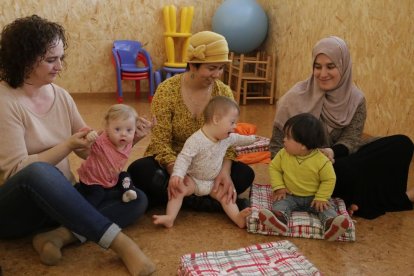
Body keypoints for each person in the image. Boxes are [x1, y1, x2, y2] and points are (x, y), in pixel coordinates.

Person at [0, 15, 155, 275]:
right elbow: (17, 173)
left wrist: (128, 138)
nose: (60, 66)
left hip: (59, 201)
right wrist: (67, 145)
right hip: (15, 211)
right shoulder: (5, 102)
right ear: (25, 59)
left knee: (137, 199)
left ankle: (57, 237)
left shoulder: (60, 95)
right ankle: (120, 244)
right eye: (51, 59)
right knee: (39, 171)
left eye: (61, 57)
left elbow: (91, 151)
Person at [269, 36, 414, 219]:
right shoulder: (293, 99)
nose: (323, 73)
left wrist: (331, 152)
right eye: (317, 66)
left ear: (343, 66)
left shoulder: (355, 99)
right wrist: (289, 177)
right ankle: (398, 199)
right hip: (306, 173)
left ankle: (354, 199)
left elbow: (351, 140)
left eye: (331, 66)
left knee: (402, 144)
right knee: (343, 172)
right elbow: (275, 147)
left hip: (338, 160)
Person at [127, 31, 255, 212]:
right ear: (192, 66)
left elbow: (229, 141)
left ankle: (181, 199)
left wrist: (225, 173)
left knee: (245, 174)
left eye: (220, 68)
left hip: (210, 166)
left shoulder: (223, 93)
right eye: (211, 68)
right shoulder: (166, 91)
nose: (217, 74)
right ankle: (211, 202)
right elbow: (160, 143)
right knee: (140, 171)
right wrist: (178, 175)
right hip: (175, 164)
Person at [153, 96, 255, 228]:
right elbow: (184, 158)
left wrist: (254, 139)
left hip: (214, 182)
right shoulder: (196, 140)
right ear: (216, 119)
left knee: (226, 195)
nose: (235, 127)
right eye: (232, 122)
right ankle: (170, 217)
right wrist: (177, 175)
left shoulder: (227, 138)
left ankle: (237, 218)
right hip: (193, 180)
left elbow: (240, 139)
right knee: (177, 190)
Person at [259, 113, 350, 241]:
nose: (283, 139)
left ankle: (331, 224)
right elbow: (274, 168)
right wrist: (279, 187)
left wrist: (322, 197)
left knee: (326, 208)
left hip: (314, 198)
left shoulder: (321, 160)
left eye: (288, 137)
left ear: (303, 145)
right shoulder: (283, 153)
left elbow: (329, 179)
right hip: (290, 195)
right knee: (280, 203)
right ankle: (279, 219)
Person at [77, 104, 154, 206]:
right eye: (117, 129)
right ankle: (84, 211)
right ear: (107, 128)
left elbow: (136, 131)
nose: (124, 134)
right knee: (97, 195)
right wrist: (89, 134)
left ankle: (128, 192)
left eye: (129, 130)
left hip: (111, 178)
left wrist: (144, 126)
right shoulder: (100, 141)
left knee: (125, 175)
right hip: (92, 181)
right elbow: (83, 132)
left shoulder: (127, 142)